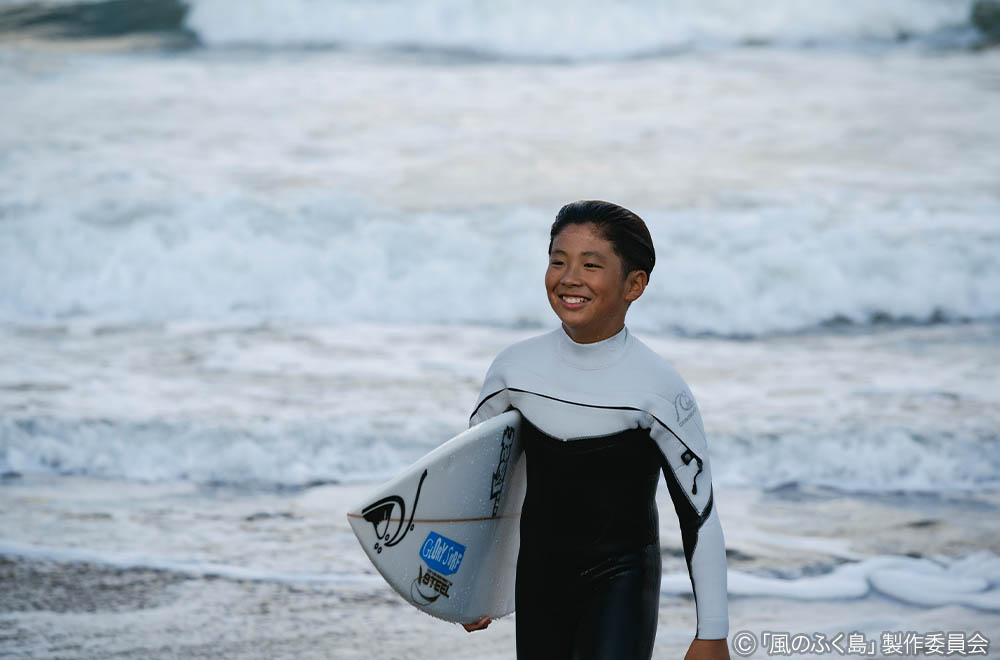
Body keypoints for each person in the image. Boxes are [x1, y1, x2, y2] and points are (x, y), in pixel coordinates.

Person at [461, 200, 731, 660]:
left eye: (591, 265)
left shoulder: (659, 389)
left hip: (622, 577)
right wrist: (467, 585)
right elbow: (475, 486)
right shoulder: (514, 370)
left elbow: (698, 516)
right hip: (539, 578)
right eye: (557, 261)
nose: (569, 277)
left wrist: (713, 633)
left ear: (634, 284)